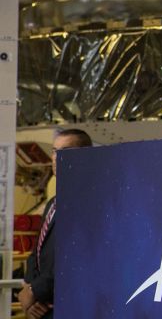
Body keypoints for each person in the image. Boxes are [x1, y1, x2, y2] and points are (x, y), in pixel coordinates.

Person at [20, 128, 93, 319]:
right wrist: (28, 287)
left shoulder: (90, 201)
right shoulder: (54, 203)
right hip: (43, 308)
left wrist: (35, 291)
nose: (56, 158)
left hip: (70, 308)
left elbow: (74, 258)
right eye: (54, 151)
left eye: (65, 151)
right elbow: (38, 250)